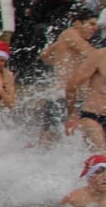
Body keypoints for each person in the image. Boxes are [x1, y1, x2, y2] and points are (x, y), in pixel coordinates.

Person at [38, 8, 98, 144]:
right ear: (77, 23)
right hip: (65, 96)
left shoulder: (65, 37)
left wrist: (61, 66)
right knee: (57, 139)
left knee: (52, 140)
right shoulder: (71, 34)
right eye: (91, 24)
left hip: (62, 94)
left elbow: (44, 54)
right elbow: (95, 56)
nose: (95, 28)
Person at [64, 33, 106, 151]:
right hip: (93, 116)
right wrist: (72, 113)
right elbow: (72, 85)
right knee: (102, 156)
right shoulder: (100, 56)